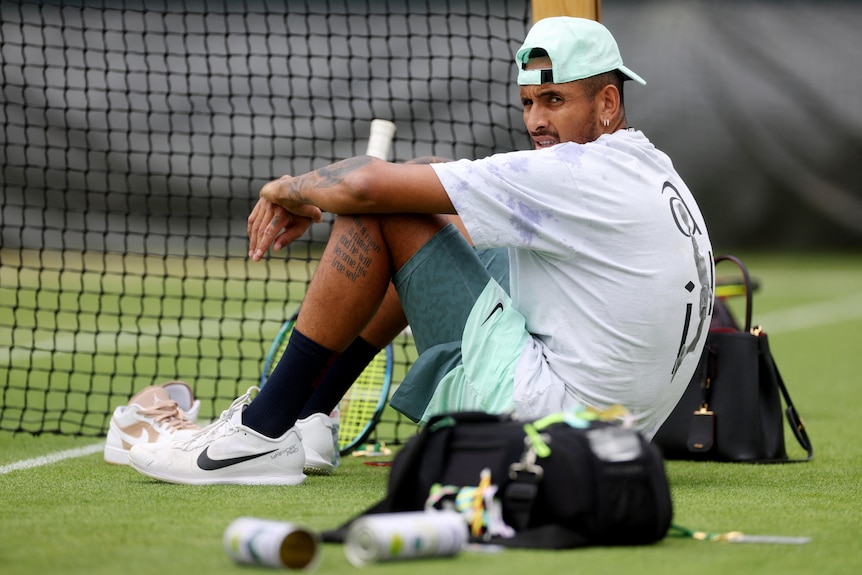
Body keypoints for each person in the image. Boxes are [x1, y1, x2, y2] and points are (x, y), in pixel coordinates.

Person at [128, 16, 714, 485]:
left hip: (547, 429)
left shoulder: (574, 173)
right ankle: (311, 421)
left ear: (607, 104)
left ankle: (259, 435)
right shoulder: (646, 165)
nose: (536, 121)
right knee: (435, 219)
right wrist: (390, 179)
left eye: (555, 100)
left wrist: (286, 188)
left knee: (385, 214)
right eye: (529, 103)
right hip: (616, 436)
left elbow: (364, 188)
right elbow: (440, 179)